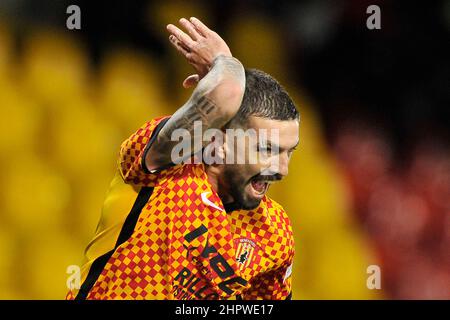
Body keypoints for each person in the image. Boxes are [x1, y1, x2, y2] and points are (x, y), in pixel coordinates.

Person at [67, 17, 299, 300]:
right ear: (221, 139)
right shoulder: (164, 166)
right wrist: (224, 62)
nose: (282, 169)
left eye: (289, 151)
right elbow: (228, 91)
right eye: (267, 149)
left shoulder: (274, 233)